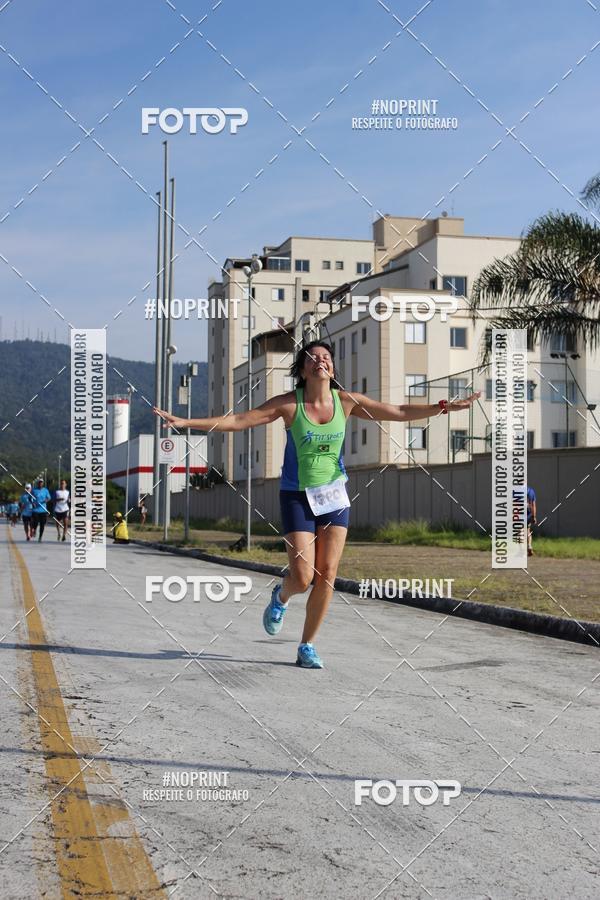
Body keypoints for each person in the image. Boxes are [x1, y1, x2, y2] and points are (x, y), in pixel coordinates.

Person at [154, 340, 480, 669]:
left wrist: (442, 406)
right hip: (297, 495)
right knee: (302, 576)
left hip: (334, 495)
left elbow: (397, 412)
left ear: (332, 369)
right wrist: (186, 423)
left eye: (325, 357)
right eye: (312, 358)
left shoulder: (347, 402)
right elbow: (241, 420)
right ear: (302, 370)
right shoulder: (289, 405)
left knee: (328, 574)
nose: (319, 361)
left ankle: (306, 645)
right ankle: (281, 597)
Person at [31, 478, 51, 542]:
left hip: (43, 509)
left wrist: (46, 500)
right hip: (35, 510)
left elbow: (49, 498)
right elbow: (30, 498)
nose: (40, 483)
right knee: (35, 522)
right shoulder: (34, 490)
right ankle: (34, 530)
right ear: (38, 483)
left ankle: (40, 537)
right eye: (39, 482)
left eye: (41, 482)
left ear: (43, 483)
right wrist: (33, 503)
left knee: (42, 524)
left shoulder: (45, 490)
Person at [527, 485, 537, 557]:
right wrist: (534, 516)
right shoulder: (530, 491)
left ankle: (521, 550)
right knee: (528, 530)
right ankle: (529, 546)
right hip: (528, 513)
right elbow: (533, 505)